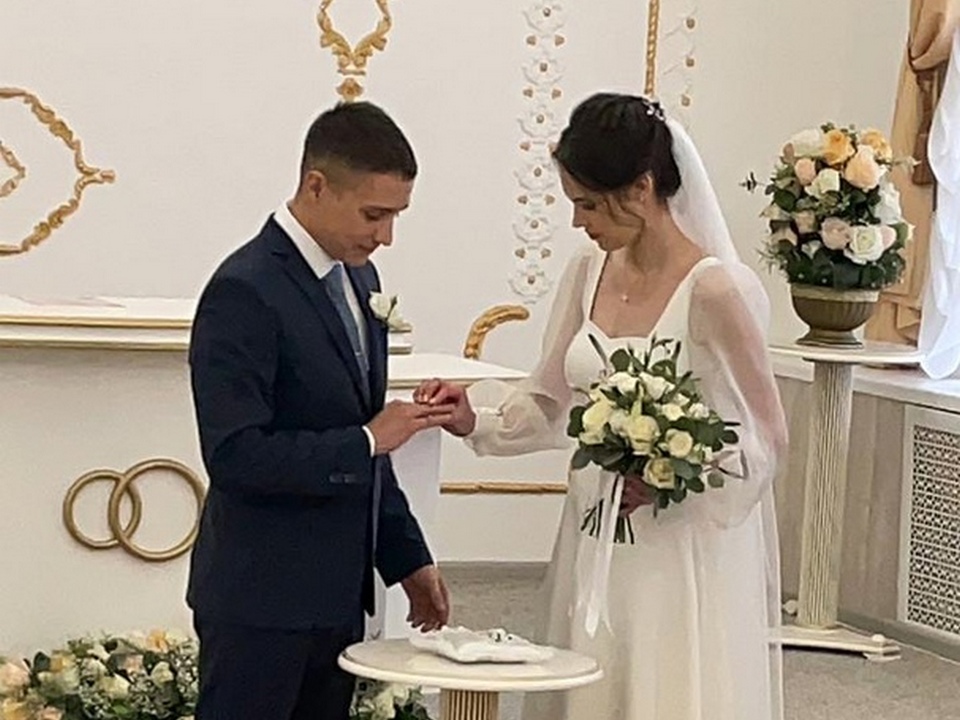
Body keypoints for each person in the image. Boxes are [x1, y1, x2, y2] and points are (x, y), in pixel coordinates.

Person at [416, 93, 788, 720]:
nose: (577, 221)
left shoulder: (717, 291)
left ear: (641, 188)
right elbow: (550, 400)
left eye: (588, 204)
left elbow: (765, 438)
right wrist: (474, 418)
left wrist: (674, 477)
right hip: (591, 532)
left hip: (674, 547)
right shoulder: (587, 270)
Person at [188, 101, 452, 720]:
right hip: (259, 603)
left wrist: (408, 559)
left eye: (396, 216)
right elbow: (235, 455)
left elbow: (368, 441)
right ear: (316, 186)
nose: (386, 235)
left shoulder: (361, 281)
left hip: (336, 602)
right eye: (374, 214)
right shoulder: (244, 289)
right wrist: (365, 441)